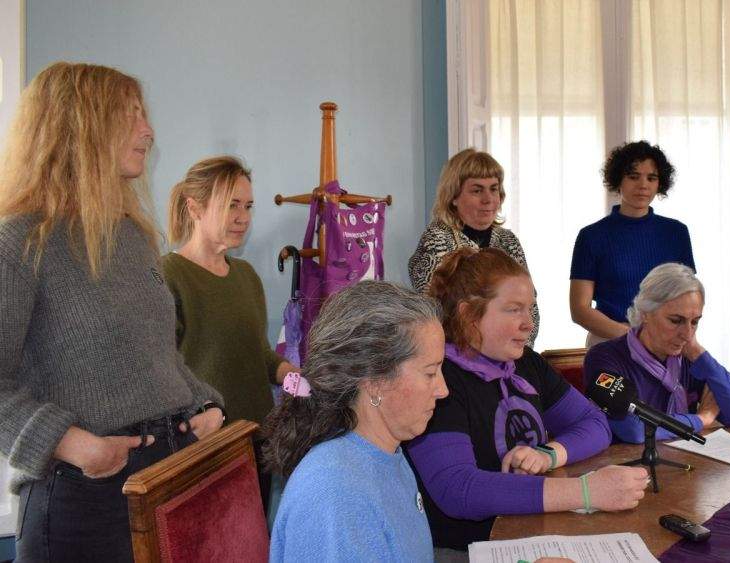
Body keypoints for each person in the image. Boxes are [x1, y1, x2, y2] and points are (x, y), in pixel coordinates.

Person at [0, 62, 224, 562]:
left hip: (169, 475)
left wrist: (205, 405)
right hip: (85, 496)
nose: (148, 131)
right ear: (79, 127)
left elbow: (157, 356)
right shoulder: (19, 243)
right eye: (130, 115)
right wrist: (71, 444)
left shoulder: (132, 236)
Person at [407, 248, 649, 553]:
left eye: (530, 309)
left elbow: (595, 422)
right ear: (469, 315)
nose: (528, 323)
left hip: (533, 534)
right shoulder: (440, 378)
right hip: (466, 550)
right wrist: (584, 492)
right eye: (514, 310)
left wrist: (549, 454)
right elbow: (458, 489)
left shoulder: (527, 363)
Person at [265, 281, 447, 563]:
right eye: (430, 373)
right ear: (375, 381)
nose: (443, 390)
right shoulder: (336, 495)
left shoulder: (385, 453)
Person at [163, 155, 297, 511]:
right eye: (231, 205)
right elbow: (161, 368)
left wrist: (297, 380)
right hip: (205, 450)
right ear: (195, 207)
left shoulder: (247, 276)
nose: (243, 217)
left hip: (257, 440)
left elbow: (260, 355)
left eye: (248, 206)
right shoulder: (168, 276)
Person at [584, 263, 730, 443]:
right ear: (645, 314)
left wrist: (700, 355)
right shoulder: (604, 357)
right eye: (676, 321)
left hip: (684, 458)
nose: (687, 334)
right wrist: (701, 419)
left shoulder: (691, 358)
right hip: (629, 460)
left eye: (695, 322)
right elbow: (635, 430)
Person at [570, 140, 695, 348]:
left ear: (660, 183)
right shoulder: (591, 236)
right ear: (618, 180)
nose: (643, 185)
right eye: (633, 176)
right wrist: (635, 336)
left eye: (651, 178)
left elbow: (689, 300)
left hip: (666, 343)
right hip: (609, 342)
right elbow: (579, 309)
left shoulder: (676, 233)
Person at [408, 148, 539, 345]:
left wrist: (520, 348)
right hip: (458, 353)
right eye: (477, 190)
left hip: (512, 350)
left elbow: (530, 305)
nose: (488, 199)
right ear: (453, 196)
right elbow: (438, 315)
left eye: (493, 189)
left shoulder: (508, 240)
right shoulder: (436, 241)